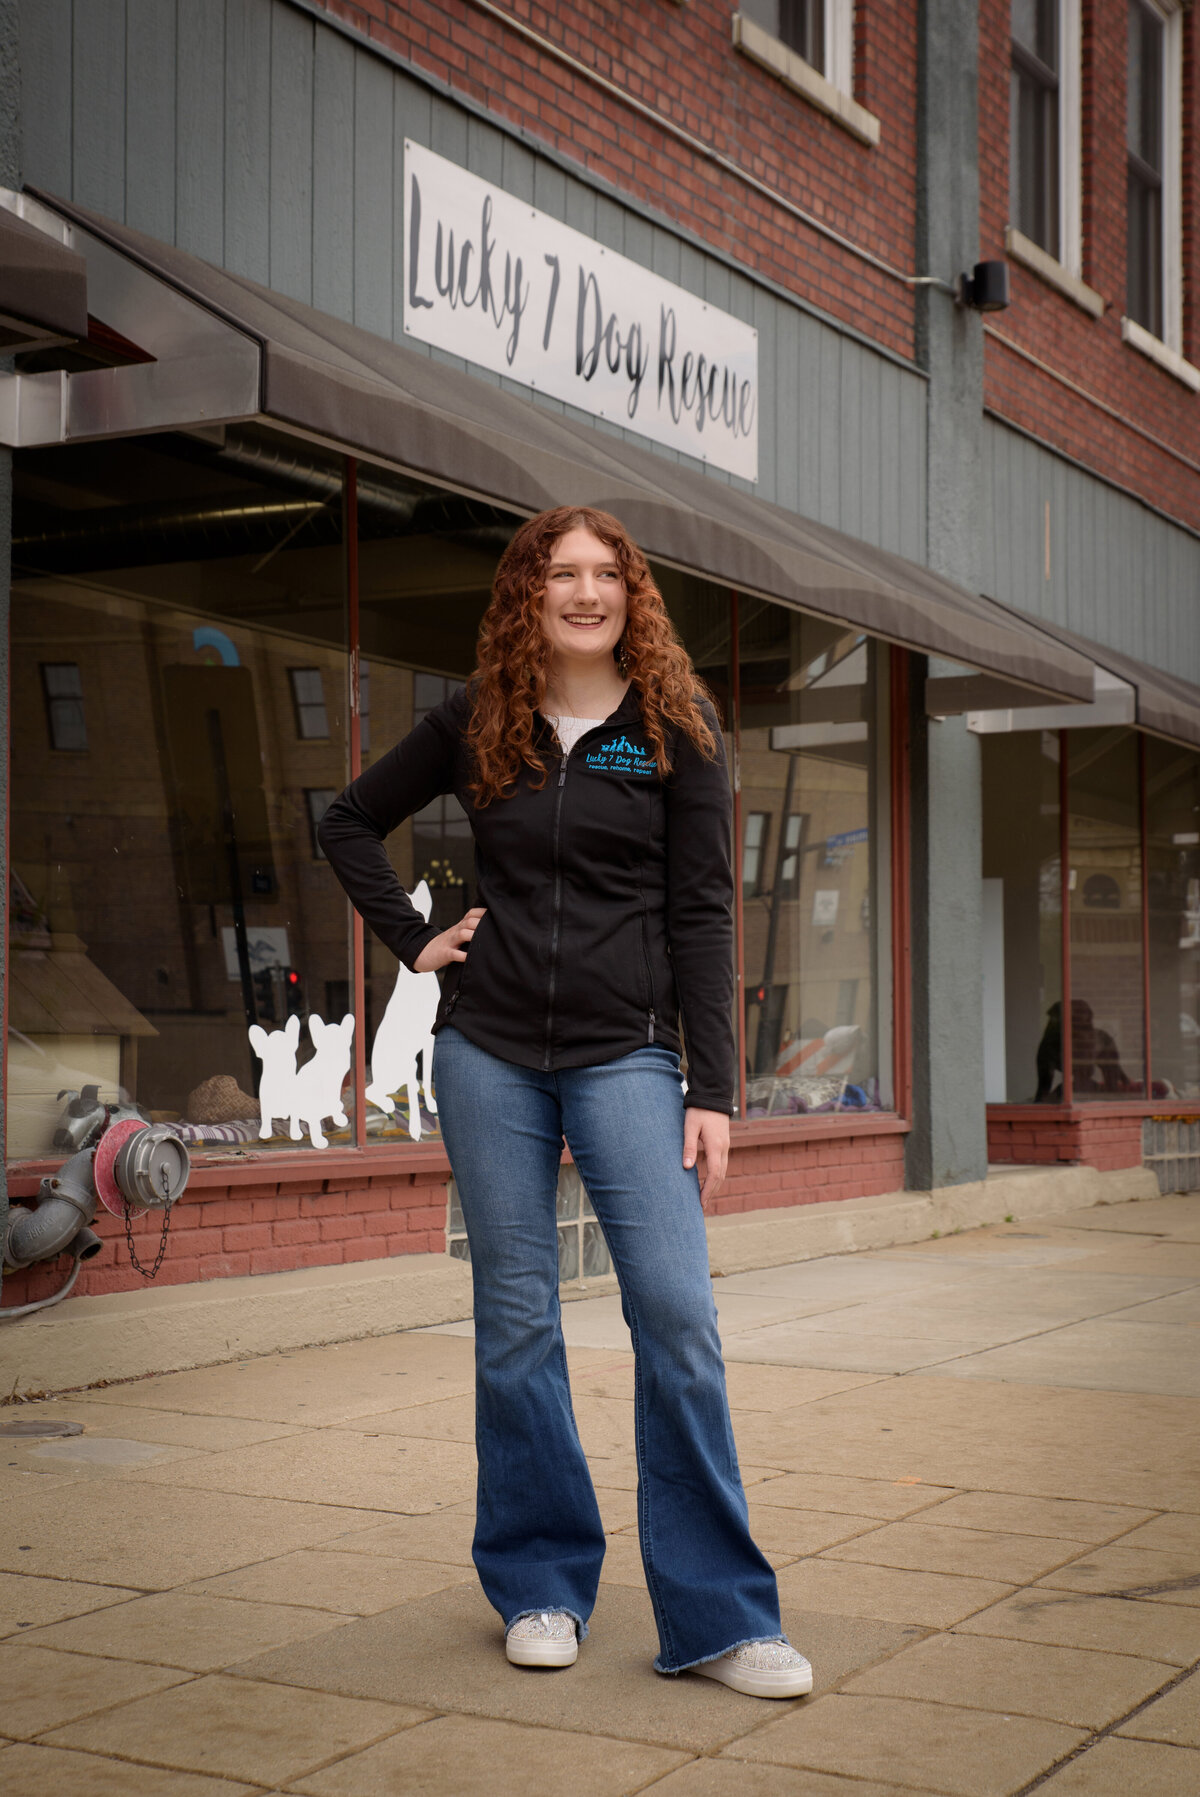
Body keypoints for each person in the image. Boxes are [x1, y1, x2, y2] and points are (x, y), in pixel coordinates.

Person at [319, 506, 811, 1700]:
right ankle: (541, 1584)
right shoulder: (478, 720)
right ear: (526, 595)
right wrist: (416, 940)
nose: (584, 592)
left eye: (605, 574)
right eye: (560, 573)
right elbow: (344, 821)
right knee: (518, 1320)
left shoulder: (674, 731)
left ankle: (722, 1617)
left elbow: (703, 912)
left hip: (627, 1058)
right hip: (487, 1056)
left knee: (676, 1315)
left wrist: (714, 1088)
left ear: (631, 596)